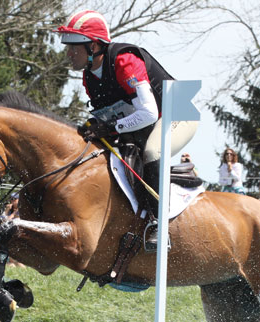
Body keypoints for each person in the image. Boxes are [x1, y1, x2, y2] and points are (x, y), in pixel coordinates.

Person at [55, 10, 197, 249]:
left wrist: (111, 127)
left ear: (93, 47)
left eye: (74, 47)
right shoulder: (88, 77)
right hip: (146, 121)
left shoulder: (124, 61)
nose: (69, 53)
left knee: (153, 152)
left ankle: (158, 224)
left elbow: (149, 112)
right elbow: (113, 115)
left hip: (178, 113)